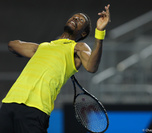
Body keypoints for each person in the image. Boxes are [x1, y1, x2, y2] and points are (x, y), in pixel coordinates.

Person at [0, 4, 110, 133]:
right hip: (9, 103)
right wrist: (41, 49)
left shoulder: (78, 47)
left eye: (80, 20)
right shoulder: (43, 47)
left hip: (36, 109)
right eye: (74, 17)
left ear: (83, 32)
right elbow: (12, 45)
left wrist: (100, 33)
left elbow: (92, 67)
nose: (75, 19)